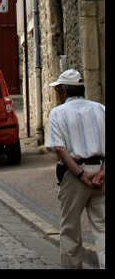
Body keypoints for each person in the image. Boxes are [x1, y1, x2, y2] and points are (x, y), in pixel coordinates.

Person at [45, 67, 105, 269]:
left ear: (63, 91)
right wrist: (102, 173)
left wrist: (81, 175)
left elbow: (60, 149)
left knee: (70, 228)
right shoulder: (100, 109)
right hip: (101, 174)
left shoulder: (58, 113)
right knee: (103, 228)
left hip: (73, 176)